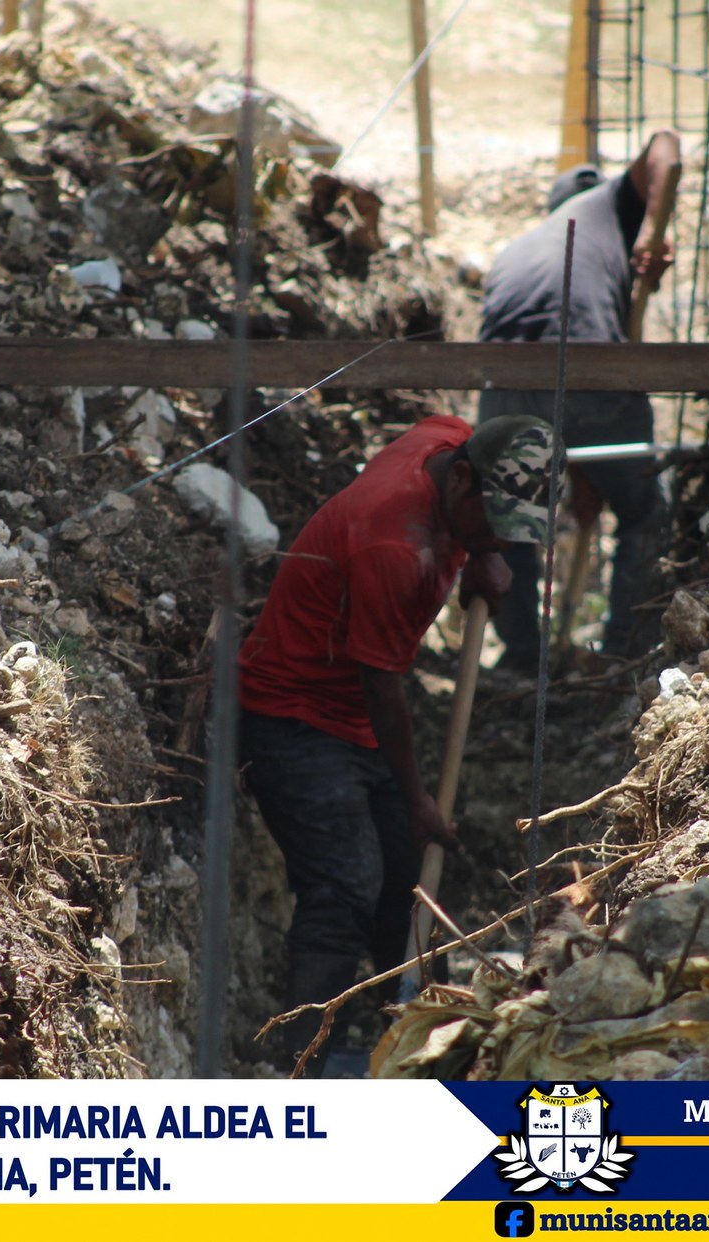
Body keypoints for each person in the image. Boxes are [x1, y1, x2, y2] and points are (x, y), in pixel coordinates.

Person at [236, 414, 555, 1072]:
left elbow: (465, 445)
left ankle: (421, 1048)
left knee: (409, 889)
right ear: (460, 480)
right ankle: (297, 1068)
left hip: (354, 712)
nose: (502, 538)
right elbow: (382, 688)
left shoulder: (448, 443)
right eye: (494, 523)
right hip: (295, 714)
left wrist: (483, 551)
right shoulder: (394, 544)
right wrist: (417, 803)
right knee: (345, 886)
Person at [474, 130, 682, 670]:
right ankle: (623, 655)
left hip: (504, 383)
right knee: (643, 513)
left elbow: (548, 399)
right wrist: (651, 233)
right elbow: (666, 144)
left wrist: (582, 471)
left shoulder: (519, 246)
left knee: (510, 522)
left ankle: (522, 659)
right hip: (591, 371)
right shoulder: (608, 205)